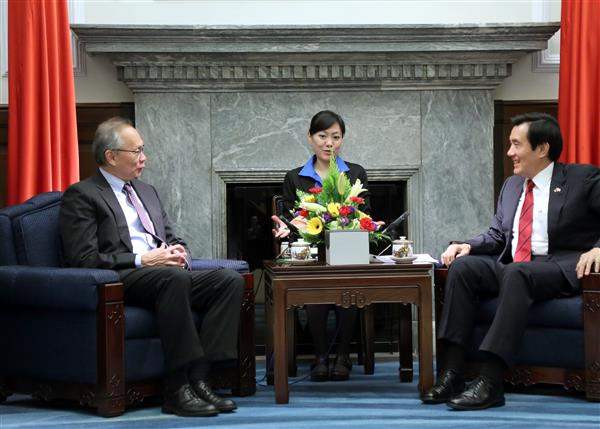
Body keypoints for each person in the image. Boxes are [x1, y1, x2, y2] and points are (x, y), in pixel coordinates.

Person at [59, 117, 244, 417]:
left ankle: (201, 377)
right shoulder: (83, 195)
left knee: (228, 280)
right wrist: (142, 260)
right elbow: (83, 257)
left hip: (163, 274)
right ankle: (176, 388)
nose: (144, 158)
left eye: (143, 149)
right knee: (172, 279)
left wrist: (179, 251)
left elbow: (171, 236)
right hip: (121, 278)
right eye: (136, 151)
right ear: (111, 156)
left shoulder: (146, 191)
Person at [421, 113, 600, 410]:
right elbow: (497, 235)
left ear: (542, 148)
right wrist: (467, 245)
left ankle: (491, 381)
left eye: (516, 144)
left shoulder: (582, 179)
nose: (509, 152)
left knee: (517, 273)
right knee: (464, 268)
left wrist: (598, 248)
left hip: (558, 267)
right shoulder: (512, 185)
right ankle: (452, 372)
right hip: (514, 264)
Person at [271, 110, 371, 382]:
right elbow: (292, 221)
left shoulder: (355, 173)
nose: (329, 143)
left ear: (342, 139)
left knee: (349, 283)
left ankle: (343, 355)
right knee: (315, 283)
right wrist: (286, 228)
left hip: (347, 253)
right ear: (310, 138)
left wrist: (367, 224)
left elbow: (365, 216)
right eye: (322, 136)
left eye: (336, 137)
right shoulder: (294, 178)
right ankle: (320, 356)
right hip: (312, 255)